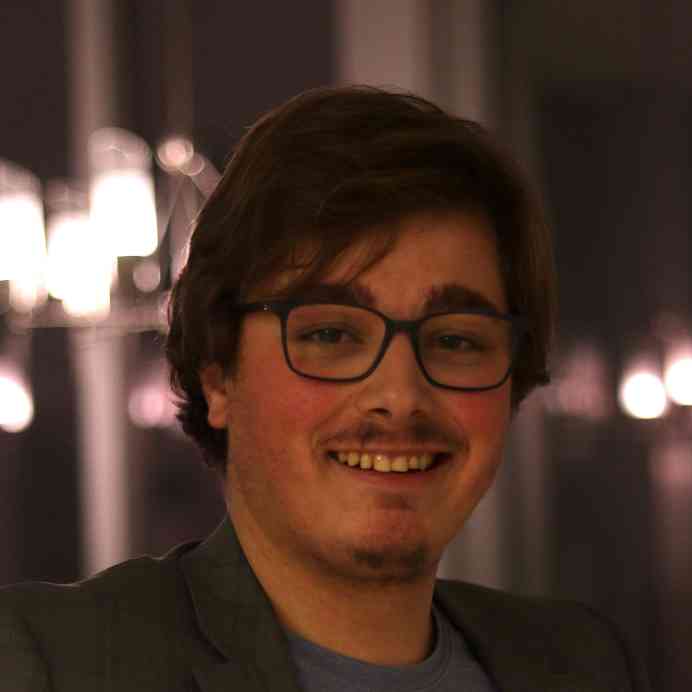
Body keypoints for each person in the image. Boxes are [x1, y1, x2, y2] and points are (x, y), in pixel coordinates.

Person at [1, 85, 650, 691]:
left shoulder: (583, 664)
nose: (400, 396)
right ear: (219, 374)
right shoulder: (50, 663)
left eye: (455, 340)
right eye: (332, 334)